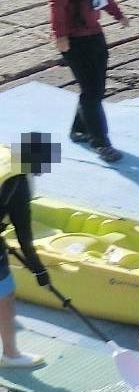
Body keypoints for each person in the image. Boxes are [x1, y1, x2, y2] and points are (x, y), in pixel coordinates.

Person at [48, 0, 126, 162]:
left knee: (94, 87)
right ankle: (100, 141)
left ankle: (79, 128)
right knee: (92, 90)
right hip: (75, 34)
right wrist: (60, 35)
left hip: (92, 28)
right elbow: (57, 2)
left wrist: (117, 13)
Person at [1, 133, 59, 369]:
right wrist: (39, 271)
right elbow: (25, 237)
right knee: (4, 299)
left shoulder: (4, 154)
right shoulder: (17, 181)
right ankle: (10, 355)